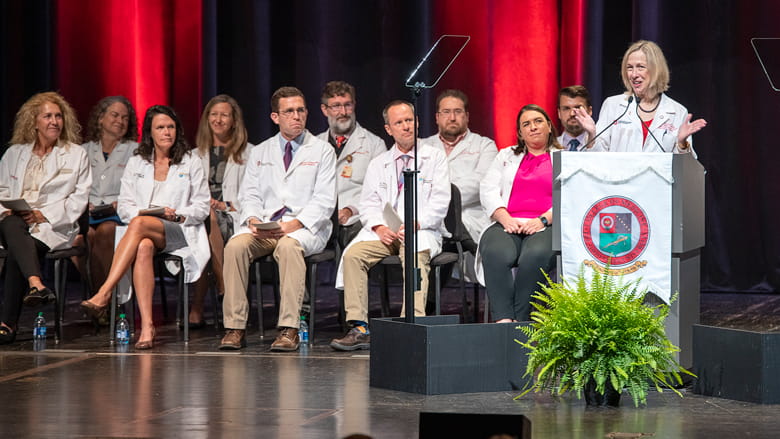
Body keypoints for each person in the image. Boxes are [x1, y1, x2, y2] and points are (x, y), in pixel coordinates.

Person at [80, 105, 210, 349]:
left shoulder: (191, 161)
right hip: (143, 231)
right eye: (160, 128)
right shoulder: (137, 162)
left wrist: (179, 215)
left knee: (139, 225)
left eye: (171, 127)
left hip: (179, 231)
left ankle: (105, 291)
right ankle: (147, 326)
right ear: (150, 132)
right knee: (143, 247)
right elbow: (125, 206)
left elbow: (202, 206)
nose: (167, 132)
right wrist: (143, 213)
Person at [219, 86, 336, 352]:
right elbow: (249, 194)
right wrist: (252, 220)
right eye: (289, 111)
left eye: (301, 110)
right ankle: (235, 327)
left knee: (288, 246)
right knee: (235, 247)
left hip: (303, 228)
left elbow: (325, 200)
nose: (297, 116)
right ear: (275, 117)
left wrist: (293, 225)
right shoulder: (260, 152)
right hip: (265, 227)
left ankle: (289, 328)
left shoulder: (322, 151)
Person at [330, 100, 451, 351]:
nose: (406, 126)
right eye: (399, 122)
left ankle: (412, 325)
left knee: (414, 254)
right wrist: (378, 227)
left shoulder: (434, 157)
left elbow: (441, 201)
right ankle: (359, 327)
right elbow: (369, 203)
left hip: (420, 230)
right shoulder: (379, 162)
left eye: (409, 120)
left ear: (417, 123)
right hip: (385, 232)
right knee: (353, 255)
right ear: (388, 129)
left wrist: (417, 223)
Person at [0, 92, 91, 344]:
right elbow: (1, 190)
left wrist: (43, 215)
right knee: (11, 223)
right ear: (34, 122)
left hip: (52, 226)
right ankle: (36, 283)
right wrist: (8, 208)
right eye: (47, 116)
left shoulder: (76, 154)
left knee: (19, 246)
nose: (54, 121)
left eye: (58, 116)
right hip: (13, 221)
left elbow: (79, 198)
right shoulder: (14, 153)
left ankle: (8, 323)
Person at [477, 104, 562, 323]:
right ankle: (504, 321)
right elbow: (488, 188)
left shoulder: (563, 158)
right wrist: (504, 217)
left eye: (538, 121)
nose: (533, 127)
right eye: (526, 124)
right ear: (520, 133)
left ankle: (522, 321)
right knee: (496, 252)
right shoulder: (506, 155)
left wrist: (543, 220)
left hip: (546, 223)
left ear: (550, 127)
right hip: (508, 222)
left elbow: (570, 196)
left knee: (533, 256)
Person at [574, 40, 707, 154]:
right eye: (629, 68)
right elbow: (598, 158)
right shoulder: (613, 105)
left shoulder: (677, 111)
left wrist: (681, 143)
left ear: (656, 70)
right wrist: (592, 135)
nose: (633, 74)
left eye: (640, 67)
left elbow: (684, 169)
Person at [189, 94, 253, 328]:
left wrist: (224, 206)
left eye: (224, 115)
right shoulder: (193, 155)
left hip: (233, 216)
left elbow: (253, 196)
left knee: (209, 220)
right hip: (199, 218)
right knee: (204, 223)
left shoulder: (251, 153)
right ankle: (224, 287)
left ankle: (197, 307)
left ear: (234, 121)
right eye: (213, 115)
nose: (218, 119)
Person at [422, 89, 497, 279]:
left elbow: (479, 184)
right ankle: (427, 302)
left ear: (467, 116)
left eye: (458, 112)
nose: (452, 117)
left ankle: (429, 303)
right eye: (446, 112)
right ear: (437, 117)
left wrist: (436, 192)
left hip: (471, 216)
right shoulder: (421, 147)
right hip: (430, 218)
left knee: (451, 230)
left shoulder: (485, 146)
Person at [76, 96, 138, 297]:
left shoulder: (135, 151)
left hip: (117, 213)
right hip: (88, 212)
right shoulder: (84, 151)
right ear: (100, 118)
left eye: (125, 117)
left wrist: (119, 203)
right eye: (115, 115)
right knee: (81, 239)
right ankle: (101, 295)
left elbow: (139, 188)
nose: (120, 121)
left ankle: (101, 298)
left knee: (105, 231)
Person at [317, 81, 386, 248]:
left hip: (356, 217)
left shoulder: (375, 144)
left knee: (357, 235)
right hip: (321, 216)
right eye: (336, 106)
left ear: (354, 105)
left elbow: (380, 191)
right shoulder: (314, 145)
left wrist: (350, 210)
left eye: (347, 105)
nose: (343, 112)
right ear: (324, 110)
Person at [556, 85, 592, 151]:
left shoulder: (602, 146)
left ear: (589, 111)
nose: (572, 114)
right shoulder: (548, 148)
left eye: (578, 107)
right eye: (566, 108)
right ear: (559, 113)